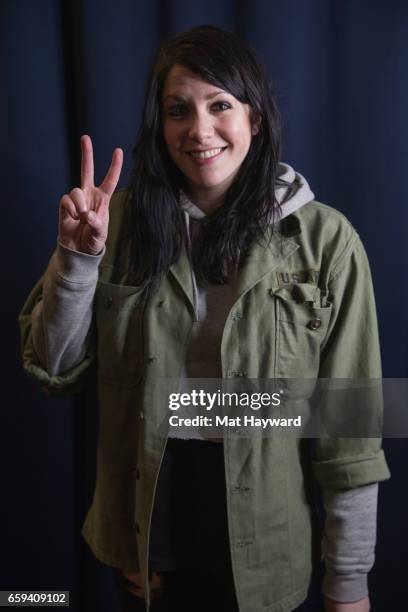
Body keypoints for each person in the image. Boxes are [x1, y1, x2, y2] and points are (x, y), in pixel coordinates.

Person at [19, 25, 390, 612]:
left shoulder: (326, 241)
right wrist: (78, 259)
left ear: (256, 119)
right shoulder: (113, 222)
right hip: (148, 529)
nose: (199, 130)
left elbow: (350, 429)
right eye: (177, 110)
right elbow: (54, 367)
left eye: (220, 105)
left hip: (269, 538)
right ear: (160, 126)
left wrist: (348, 585)